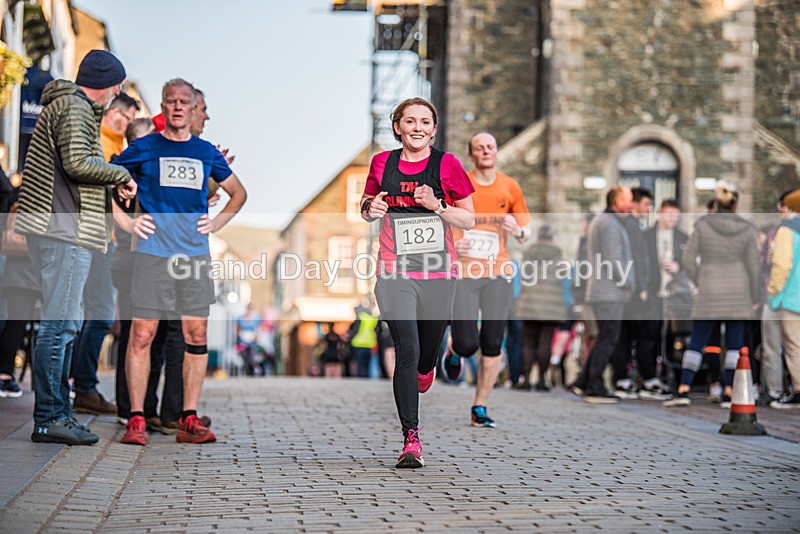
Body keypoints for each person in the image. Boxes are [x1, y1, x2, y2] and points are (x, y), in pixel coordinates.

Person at [114, 79, 247, 446]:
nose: (177, 107)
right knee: (142, 335)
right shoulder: (144, 148)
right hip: (152, 255)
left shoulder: (205, 152)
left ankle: (188, 417)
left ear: (192, 108)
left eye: (184, 102)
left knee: (196, 335)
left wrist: (216, 223)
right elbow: (102, 178)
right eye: (170, 101)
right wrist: (125, 220)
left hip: (194, 259)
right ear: (162, 106)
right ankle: (137, 419)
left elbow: (239, 192)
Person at [15, 50, 137, 445]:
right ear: (110, 84)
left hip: (59, 227)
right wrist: (120, 172)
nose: (117, 93)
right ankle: (50, 417)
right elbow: (77, 163)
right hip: (62, 229)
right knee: (61, 323)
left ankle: (59, 412)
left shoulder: (66, 104)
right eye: (118, 86)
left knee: (64, 321)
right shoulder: (74, 107)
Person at [361, 97, 475, 468]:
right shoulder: (382, 163)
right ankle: (411, 439)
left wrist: (438, 206)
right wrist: (370, 209)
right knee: (405, 350)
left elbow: (469, 220)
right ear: (397, 127)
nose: (417, 128)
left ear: (434, 129)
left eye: (425, 122)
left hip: (439, 274)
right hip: (395, 271)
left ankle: (429, 369)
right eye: (409, 121)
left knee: (426, 356)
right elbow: (366, 205)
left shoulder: (448, 165)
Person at [441, 131, 530, 427]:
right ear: (472, 155)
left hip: (498, 272)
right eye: (479, 148)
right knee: (468, 344)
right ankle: (455, 350)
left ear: (496, 152)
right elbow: (444, 220)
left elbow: (525, 229)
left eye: (490, 146)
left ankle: (480, 406)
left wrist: (516, 230)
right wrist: (455, 243)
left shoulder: (510, 186)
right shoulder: (460, 184)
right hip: (466, 272)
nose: (486, 151)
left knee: (493, 342)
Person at [71, 93, 140, 416]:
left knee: (90, 313)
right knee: (98, 313)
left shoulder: (116, 148)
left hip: (104, 237)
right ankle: (83, 387)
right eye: (127, 119)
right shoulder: (100, 142)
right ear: (115, 113)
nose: (127, 127)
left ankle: (80, 385)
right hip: (94, 236)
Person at [664, 181, 759, 408]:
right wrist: (754, 295)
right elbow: (754, 265)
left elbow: (687, 259)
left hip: (708, 288)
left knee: (698, 340)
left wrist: (700, 278)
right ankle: (728, 389)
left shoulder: (703, 226)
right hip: (738, 291)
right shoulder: (747, 229)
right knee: (735, 344)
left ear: (716, 204)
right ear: (735, 204)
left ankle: (684, 388)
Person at [568, 186, 635, 403]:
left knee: (601, 339)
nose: (631, 205)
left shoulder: (602, 221)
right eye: (629, 200)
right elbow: (614, 259)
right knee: (608, 339)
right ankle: (595, 384)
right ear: (618, 202)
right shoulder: (611, 224)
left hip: (600, 290)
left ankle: (583, 381)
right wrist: (627, 282)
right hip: (609, 291)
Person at [637, 198, 686, 399]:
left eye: (676, 215)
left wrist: (679, 267)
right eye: (669, 214)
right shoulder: (646, 236)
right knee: (649, 335)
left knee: (672, 337)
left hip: (674, 294)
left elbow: (691, 263)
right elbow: (640, 262)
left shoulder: (683, 238)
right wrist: (643, 287)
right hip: (653, 292)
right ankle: (648, 377)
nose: (672, 218)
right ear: (660, 213)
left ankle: (669, 376)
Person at [610, 187, 653, 398]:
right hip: (632, 289)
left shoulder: (632, 226)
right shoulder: (631, 226)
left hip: (630, 287)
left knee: (626, 335)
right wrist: (641, 287)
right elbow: (635, 259)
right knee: (630, 335)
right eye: (645, 204)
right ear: (633, 204)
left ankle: (624, 378)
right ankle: (624, 378)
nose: (648, 209)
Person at [516, 223, 568, 392]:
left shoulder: (529, 252)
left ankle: (525, 380)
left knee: (528, 343)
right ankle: (541, 380)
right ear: (551, 238)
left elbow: (524, 277)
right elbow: (562, 276)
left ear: (539, 236)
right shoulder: (558, 253)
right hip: (550, 306)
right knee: (545, 343)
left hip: (529, 303)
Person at [760, 190, 795, 404]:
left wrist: (772, 291)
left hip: (780, 297)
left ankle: (777, 391)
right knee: (791, 346)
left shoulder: (782, 232)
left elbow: (776, 265)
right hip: (789, 297)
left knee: (776, 347)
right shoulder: (780, 232)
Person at [767, 189, 800, 408]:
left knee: (791, 346)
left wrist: (772, 291)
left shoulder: (786, 231)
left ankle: (795, 391)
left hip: (787, 298)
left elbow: (781, 265)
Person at [237, 303, 262, 376]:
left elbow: (259, 328)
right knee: (245, 359)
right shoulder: (240, 318)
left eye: (251, 309)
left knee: (252, 359)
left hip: (253, 341)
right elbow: (237, 328)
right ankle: (247, 373)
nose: (250, 310)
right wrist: (240, 334)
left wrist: (257, 336)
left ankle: (254, 372)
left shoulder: (257, 318)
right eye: (249, 308)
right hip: (243, 341)